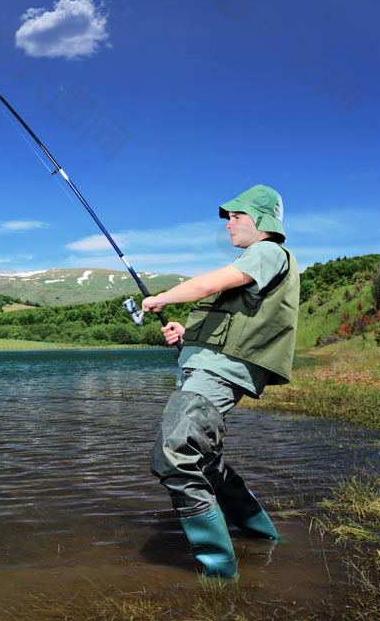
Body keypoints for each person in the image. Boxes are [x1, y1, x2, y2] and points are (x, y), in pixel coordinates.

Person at [140, 185, 299, 579]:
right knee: (206, 463)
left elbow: (210, 284)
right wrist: (186, 333)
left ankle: (219, 578)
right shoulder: (258, 261)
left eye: (237, 215)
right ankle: (261, 537)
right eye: (229, 216)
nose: (229, 222)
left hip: (217, 374)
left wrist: (161, 298)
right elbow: (231, 321)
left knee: (175, 454)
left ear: (262, 221)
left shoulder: (269, 251)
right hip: (208, 367)